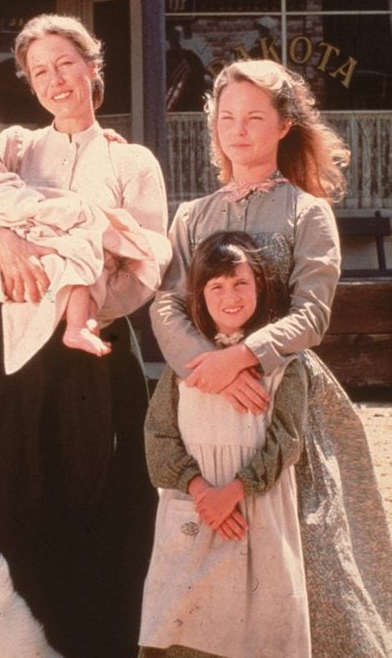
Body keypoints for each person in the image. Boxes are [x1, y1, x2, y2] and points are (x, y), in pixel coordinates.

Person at [0, 13, 170, 657]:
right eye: (40, 71)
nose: (56, 80)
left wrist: (88, 303)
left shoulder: (131, 159)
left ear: (94, 67)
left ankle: (102, 643)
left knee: (105, 505)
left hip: (96, 350)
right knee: (17, 503)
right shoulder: (13, 149)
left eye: (66, 64)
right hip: (18, 355)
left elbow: (148, 264)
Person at [152, 59, 392, 656]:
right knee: (209, 543)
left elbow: (313, 312)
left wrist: (246, 358)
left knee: (309, 545)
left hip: (285, 401)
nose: (239, 130)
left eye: (256, 117)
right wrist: (205, 366)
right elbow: (166, 301)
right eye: (227, 116)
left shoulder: (308, 212)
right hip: (204, 400)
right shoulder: (192, 215)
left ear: (284, 125)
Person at [140, 230, 310, 657]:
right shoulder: (185, 366)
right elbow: (158, 435)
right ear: (199, 295)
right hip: (194, 512)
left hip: (255, 512)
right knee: (182, 619)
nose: (229, 296)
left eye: (240, 283)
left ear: (260, 287)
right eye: (216, 286)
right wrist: (202, 493)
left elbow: (286, 442)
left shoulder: (284, 367)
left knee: (256, 625)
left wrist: (233, 492)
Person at [0, 132, 169, 373]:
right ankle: (78, 325)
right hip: (22, 295)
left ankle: (81, 323)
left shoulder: (126, 156)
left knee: (79, 258)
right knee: (76, 257)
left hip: (101, 319)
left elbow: (151, 257)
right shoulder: (19, 145)